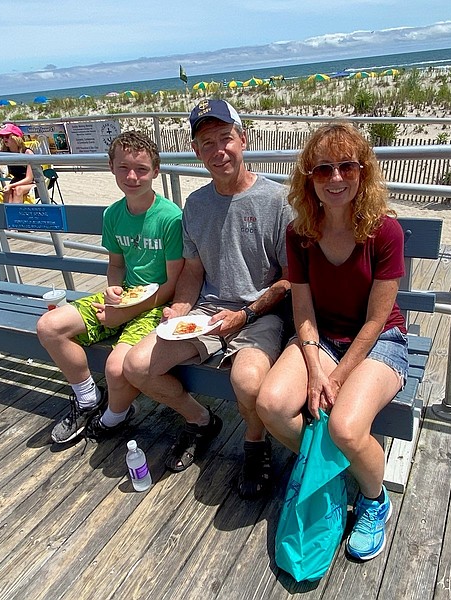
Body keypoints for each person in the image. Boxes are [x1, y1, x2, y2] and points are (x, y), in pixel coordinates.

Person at [255, 122, 409, 561]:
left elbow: (378, 319)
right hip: (320, 337)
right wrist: (315, 365)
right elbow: (303, 310)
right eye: (323, 170)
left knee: (344, 426)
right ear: (308, 177)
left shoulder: (385, 232)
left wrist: (335, 377)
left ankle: (374, 499)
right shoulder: (300, 233)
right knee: (271, 403)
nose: (336, 178)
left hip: (379, 341)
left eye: (346, 166)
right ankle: (331, 473)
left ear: (363, 172)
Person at [124, 99, 293, 498]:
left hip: (260, 314)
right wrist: (179, 310)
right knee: (137, 364)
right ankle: (201, 420)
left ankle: (254, 442)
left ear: (243, 140)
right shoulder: (196, 204)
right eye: (206, 143)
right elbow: (193, 271)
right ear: (197, 153)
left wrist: (246, 314)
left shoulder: (277, 201)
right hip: (205, 313)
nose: (218, 151)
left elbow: (289, 281)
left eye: (225, 139)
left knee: (248, 382)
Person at [36, 131, 184, 444]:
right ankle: (87, 396)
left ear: (155, 172)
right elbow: (116, 264)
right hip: (127, 295)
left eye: (142, 169)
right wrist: (114, 289)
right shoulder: (113, 215)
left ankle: (116, 415)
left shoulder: (170, 218)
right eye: (124, 168)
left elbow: (173, 284)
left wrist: (122, 312)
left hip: (155, 303)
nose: (133, 176)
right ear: (111, 167)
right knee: (50, 327)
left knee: (117, 369)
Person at [0, 123, 35, 204]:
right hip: (17, 181)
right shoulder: (5, 152)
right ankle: (8, 214)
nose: (4, 139)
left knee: (18, 190)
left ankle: (16, 215)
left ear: (16, 137)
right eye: (2, 137)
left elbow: (29, 179)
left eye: (7, 136)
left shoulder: (27, 153)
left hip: (35, 183)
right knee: (7, 191)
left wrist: (11, 186)